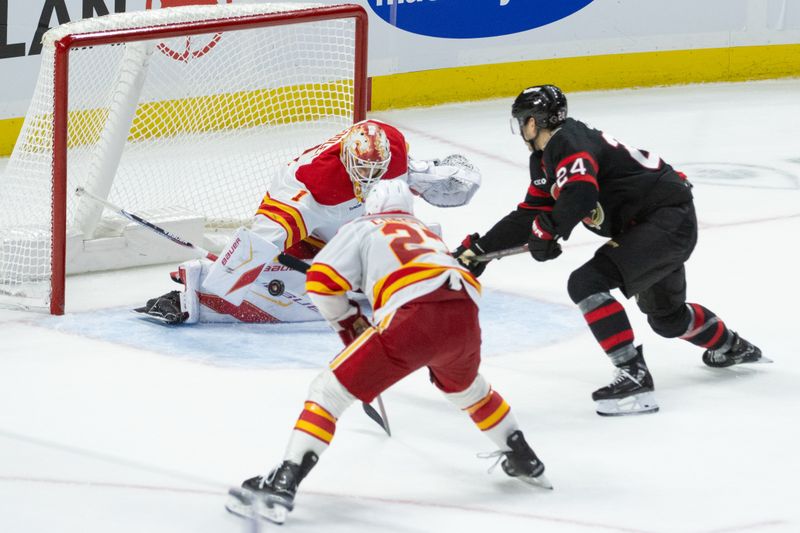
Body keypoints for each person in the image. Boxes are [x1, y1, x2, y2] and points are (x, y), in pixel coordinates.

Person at [225, 179, 551, 525]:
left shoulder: (363, 227)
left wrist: (348, 321)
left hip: (414, 316)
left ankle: (282, 484)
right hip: (465, 313)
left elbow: (320, 282)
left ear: (371, 208)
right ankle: (524, 457)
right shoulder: (428, 234)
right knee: (470, 391)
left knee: (327, 392)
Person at [454, 84, 769, 416]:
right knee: (667, 318)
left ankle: (633, 374)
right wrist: (480, 249)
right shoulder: (548, 158)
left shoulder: (568, 143)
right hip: (655, 224)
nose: (521, 129)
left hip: (664, 221)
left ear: (534, 122)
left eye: (522, 121)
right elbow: (529, 215)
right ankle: (732, 347)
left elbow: (580, 194)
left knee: (585, 282)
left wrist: (551, 229)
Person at [137, 119, 481, 324]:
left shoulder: (391, 153)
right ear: (348, 159)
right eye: (363, 172)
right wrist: (227, 272)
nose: (370, 178)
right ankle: (188, 294)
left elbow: (432, 173)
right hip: (309, 199)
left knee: (377, 236)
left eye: (376, 172)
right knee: (260, 250)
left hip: (346, 203)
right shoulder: (311, 186)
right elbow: (261, 240)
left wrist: (452, 180)